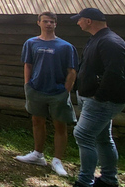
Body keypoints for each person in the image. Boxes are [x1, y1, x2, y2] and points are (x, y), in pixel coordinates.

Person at [70, 8, 125, 187]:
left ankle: (84, 181)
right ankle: (108, 180)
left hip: (102, 102)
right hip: (94, 99)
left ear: (89, 21)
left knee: (83, 134)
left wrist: (99, 96)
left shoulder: (110, 42)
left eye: (79, 19)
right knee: (103, 138)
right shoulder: (97, 39)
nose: (77, 22)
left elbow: (114, 74)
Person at [14, 11, 78, 176]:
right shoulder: (31, 43)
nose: (48, 24)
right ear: (39, 23)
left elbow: (72, 71)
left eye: (52, 22)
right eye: (45, 21)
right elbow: (28, 64)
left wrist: (66, 90)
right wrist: (28, 84)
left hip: (57, 91)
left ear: (56, 24)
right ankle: (38, 154)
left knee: (59, 124)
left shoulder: (65, 46)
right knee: (37, 121)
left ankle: (57, 160)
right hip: (36, 89)